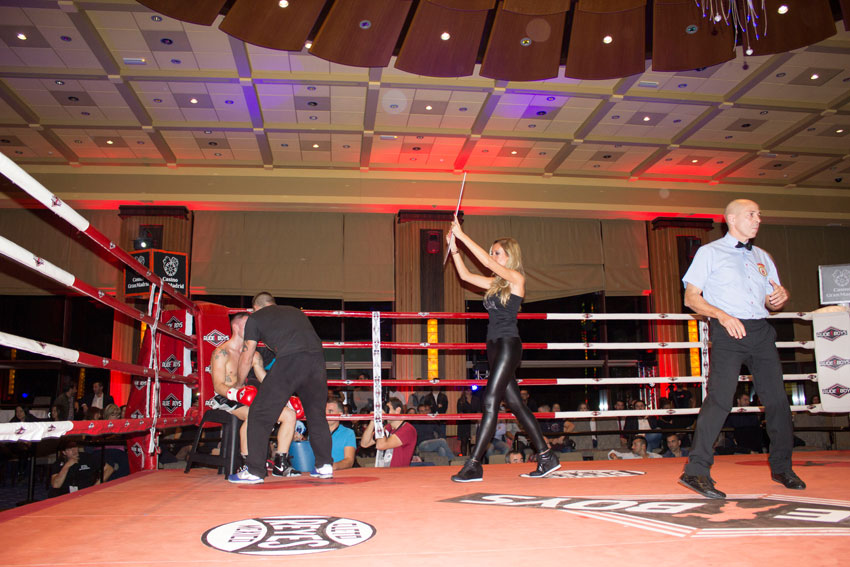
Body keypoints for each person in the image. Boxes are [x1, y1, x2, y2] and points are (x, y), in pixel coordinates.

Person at [678, 198, 804, 498]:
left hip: (760, 330)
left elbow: (772, 299)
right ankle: (696, 472)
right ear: (732, 219)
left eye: (759, 214)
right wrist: (722, 315)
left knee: (778, 401)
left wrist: (779, 298)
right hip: (728, 330)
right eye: (751, 214)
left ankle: (782, 467)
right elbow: (691, 298)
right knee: (720, 400)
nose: (758, 219)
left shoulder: (762, 256)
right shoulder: (710, 253)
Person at [446, 216, 559, 481]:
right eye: (492, 252)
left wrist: (462, 235)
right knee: (517, 406)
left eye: (497, 252)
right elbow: (465, 275)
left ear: (509, 256)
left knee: (489, 402)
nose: (492, 256)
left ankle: (474, 464)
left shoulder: (516, 278)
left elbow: (485, 263)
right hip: (494, 348)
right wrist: (454, 249)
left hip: (508, 345)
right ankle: (546, 457)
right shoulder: (495, 284)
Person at [228, 292, 332, 484]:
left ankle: (254, 471)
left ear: (255, 308)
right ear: (273, 303)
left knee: (259, 413)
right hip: (317, 361)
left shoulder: (255, 318)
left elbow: (247, 354)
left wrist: (239, 384)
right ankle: (324, 466)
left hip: (291, 360)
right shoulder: (294, 312)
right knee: (316, 414)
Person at [209, 313, 301, 478]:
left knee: (289, 414)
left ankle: (281, 463)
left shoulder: (254, 354)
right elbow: (218, 385)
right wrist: (236, 394)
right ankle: (248, 466)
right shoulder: (221, 353)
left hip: (248, 398)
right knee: (255, 414)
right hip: (226, 398)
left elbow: (264, 379)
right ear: (236, 327)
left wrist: (283, 397)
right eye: (248, 325)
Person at [360, 397, 417, 467]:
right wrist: (373, 421)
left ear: (397, 410)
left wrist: (380, 422)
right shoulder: (387, 427)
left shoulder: (408, 429)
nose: (385, 412)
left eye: (387, 409)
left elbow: (381, 445)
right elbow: (364, 443)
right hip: (382, 471)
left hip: (398, 472)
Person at [49, 439, 113, 498]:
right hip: (66, 494)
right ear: (64, 452)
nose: (74, 451)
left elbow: (109, 469)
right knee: (53, 494)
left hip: (86, 492)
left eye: (75, 447)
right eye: (70, 449)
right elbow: (56, 485)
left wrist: (95, 487)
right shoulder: (59, 463)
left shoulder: (87, 457)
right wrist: (66, 466)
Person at [326, 399, 356, 470]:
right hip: (315, 473)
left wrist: (332, 466)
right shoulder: (315, 432)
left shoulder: (348, 433)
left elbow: (349, 461)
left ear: (340, 414)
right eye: (324, 411)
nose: (326, 414)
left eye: (330, 411)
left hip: (339, 474)